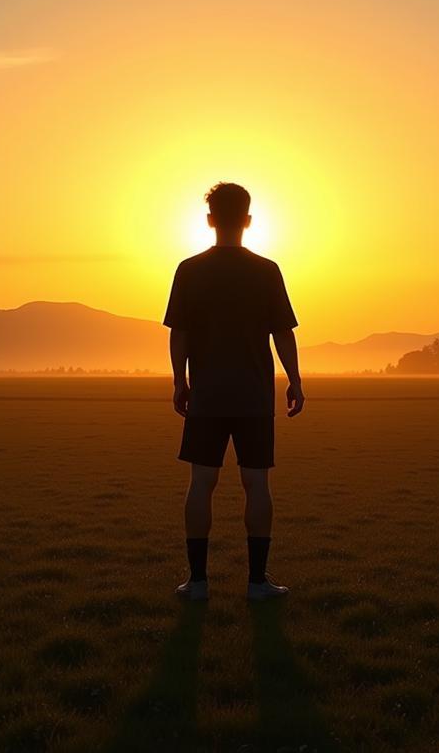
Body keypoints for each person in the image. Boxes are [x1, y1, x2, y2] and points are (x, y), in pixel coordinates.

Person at [163, 182, 305, 601]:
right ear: (247, 220)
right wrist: (294, 380)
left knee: (201, 482)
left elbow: (179, 334)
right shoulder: (266, 270)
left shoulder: (189, 270)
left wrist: (180, 381)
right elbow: (283, 333)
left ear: (210, 220)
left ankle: (198, 582)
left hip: (207, 395)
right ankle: (258, 583)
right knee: (256, 484)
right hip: (254, 396)